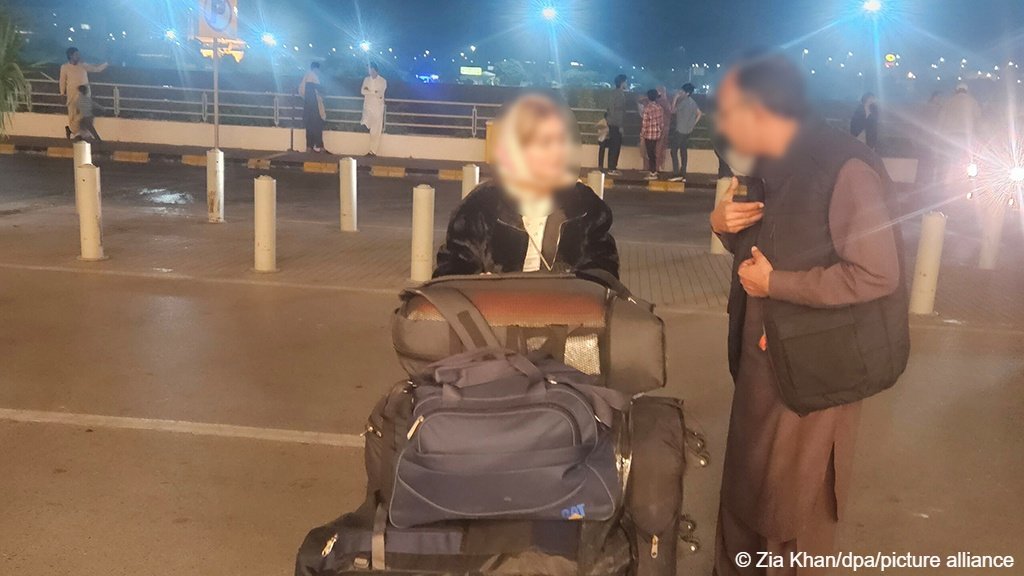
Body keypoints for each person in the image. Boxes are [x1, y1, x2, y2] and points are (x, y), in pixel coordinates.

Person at [711, 53, 909, 576]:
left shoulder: (845, 168)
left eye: (729, 109)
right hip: (762, 361)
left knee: (792, 512)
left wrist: (776, 284)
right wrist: (723, 225)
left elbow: (875, 274)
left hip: (815, 372)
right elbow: (761, 251)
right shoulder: (771, 165)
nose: (721, 121)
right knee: (745, 495)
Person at [434, 93, 618, 278]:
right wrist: (478, 288)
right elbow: (449, 279)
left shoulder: (586, 208)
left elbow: (603, 277)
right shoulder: (479, 207)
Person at [59, 47, 108, 140]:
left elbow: (96, 69)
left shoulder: (83, 65)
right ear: (70, 56)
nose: (78, 56)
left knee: (83, 115)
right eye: (76, 54)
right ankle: (76, 132)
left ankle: (81, 133)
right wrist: (62, 93)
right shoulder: (65, 67)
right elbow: (62, 80)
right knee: (73, 115)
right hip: (72, 95)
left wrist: (106, 63)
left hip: (84, 94)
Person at [669, 83, 702, 182]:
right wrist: (693, 124)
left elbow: (672, 110)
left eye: (682, 91)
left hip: (680, 130)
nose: (680, 92)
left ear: (687, 93)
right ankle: (683, 174)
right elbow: (699, 113)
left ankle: (676, 173)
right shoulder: (693, 102)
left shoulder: (683, 102)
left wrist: (675, 98)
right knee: (683, 151)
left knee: (673, 150)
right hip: (688, 131)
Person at [938, 82, 982, 154]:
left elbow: (941, 117)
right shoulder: (972, 101)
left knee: (951, 156)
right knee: (964, 156)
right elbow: (978, 116)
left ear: (956, 91)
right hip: (965, 134)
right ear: (966, 91)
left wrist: (939, 133)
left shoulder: (948, 101)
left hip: (949, 133)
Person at [361, 63, 387, 156]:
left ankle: (373, 151)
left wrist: (369, 91)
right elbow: (363, 91)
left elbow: (380, 93)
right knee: (371, 129)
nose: (369, 72)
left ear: (375, 70)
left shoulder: (382, 81)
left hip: (377, 109)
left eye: (371, 70)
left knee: (376, 130)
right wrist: (373, 92)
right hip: (368, 108)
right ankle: (371, 150)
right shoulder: (366, 79)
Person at [605, 74, 628, 175]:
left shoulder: (613, 93)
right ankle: (612, 168)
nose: (627, 84)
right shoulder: (619, 94)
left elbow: (611, 108)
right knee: (615, 145)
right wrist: (620, 126)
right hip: (615, 123)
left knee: (613, 145)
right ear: (622, 83)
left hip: (611, 122)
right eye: (626, 82)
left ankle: (612, 167)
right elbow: (617, 111)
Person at [640, 89, 664, 180]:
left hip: (649, 134)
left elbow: (645, 123)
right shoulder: (660, 108)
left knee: (650, 154)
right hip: (657, 134)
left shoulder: (647, 109)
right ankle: (653, 170)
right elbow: (661, 122)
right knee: (653, 152)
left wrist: (642, 134)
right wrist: (660, 131)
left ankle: (653, 172)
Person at [303, 82, 327, 153]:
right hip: (315, 109)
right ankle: (319, 146)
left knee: (310, 127)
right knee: (317, 127)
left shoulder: (307, 78)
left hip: (309, 109)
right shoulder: (315, 80)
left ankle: (309, 147)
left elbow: (301, 90)